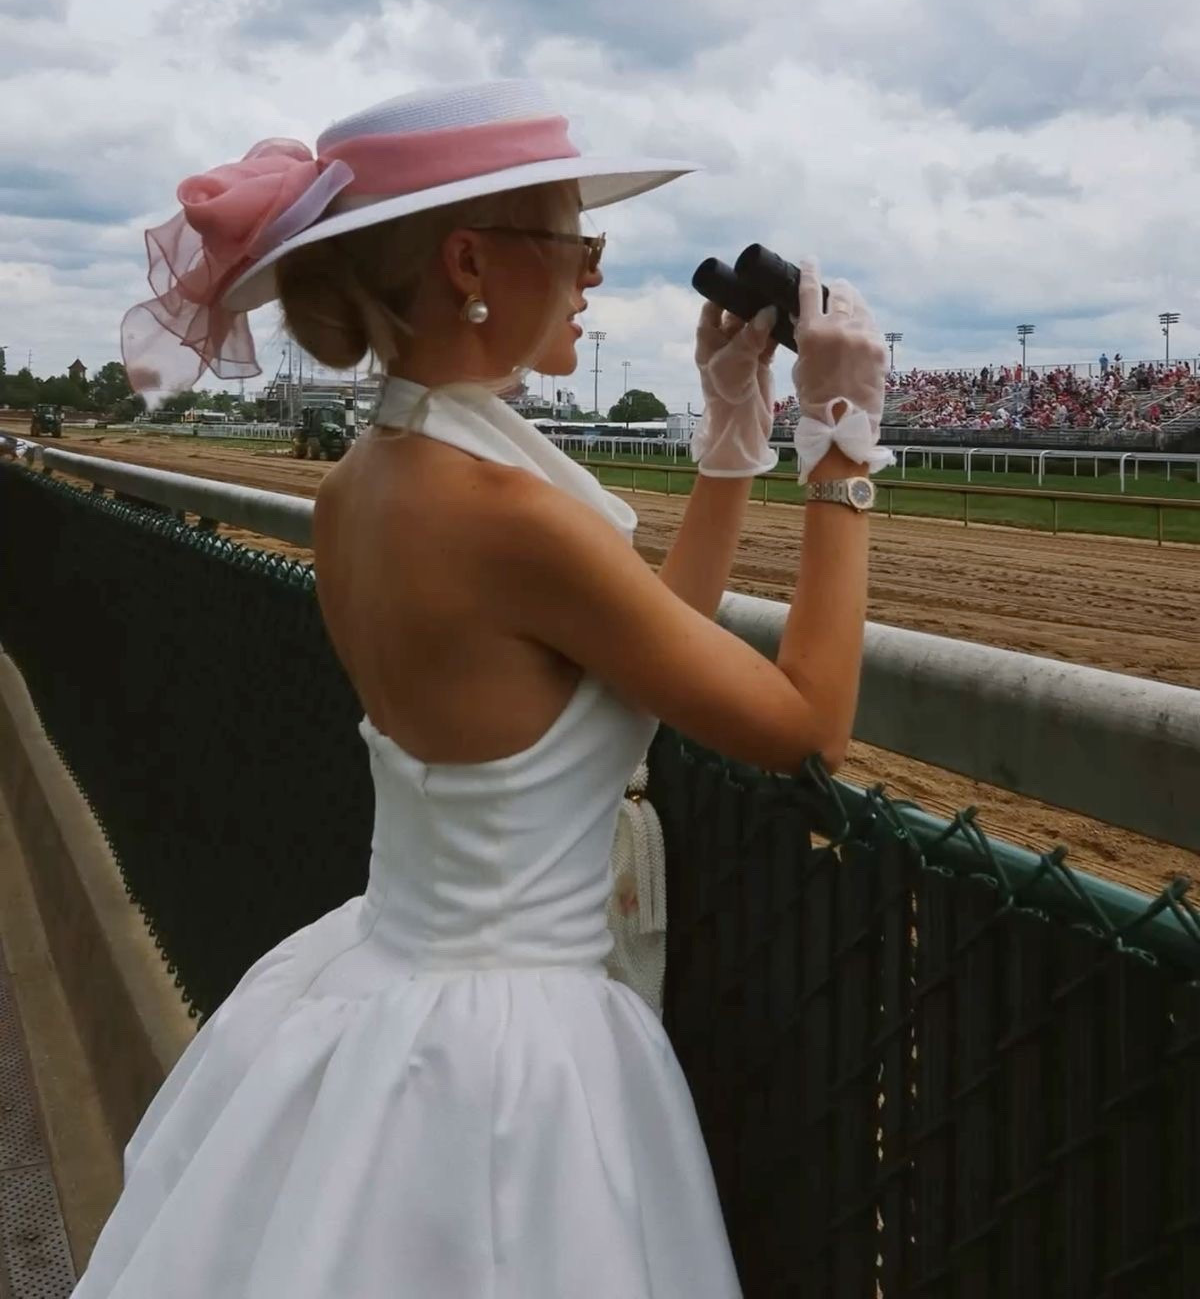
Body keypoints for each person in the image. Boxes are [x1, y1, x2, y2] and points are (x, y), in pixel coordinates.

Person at [88, 79, 889, 1298]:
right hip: (509, 1057)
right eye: (577, 244)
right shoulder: (505, 514)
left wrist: (731, 445)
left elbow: (623, 649)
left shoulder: (367, 478)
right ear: (469, 260)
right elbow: (805, 721)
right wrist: (839, 445)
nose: (592, 279)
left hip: (385, 985)